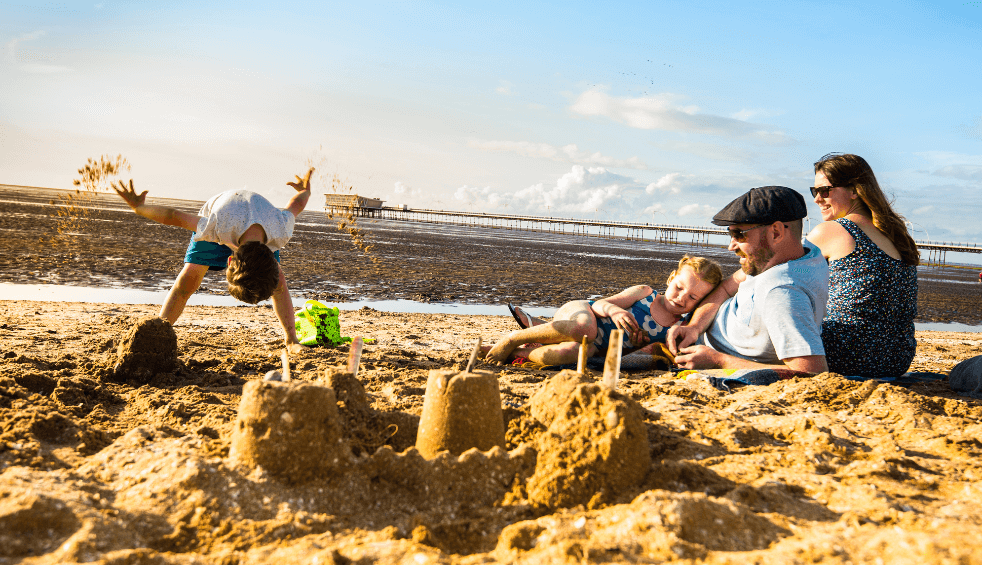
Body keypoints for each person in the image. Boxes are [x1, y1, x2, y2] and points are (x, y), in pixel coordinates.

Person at [112, 168, 314, 353]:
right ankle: (159, 330)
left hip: (258, 225)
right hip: (224, 215)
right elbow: (173, 216)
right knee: (186, 283)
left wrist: (305, 191)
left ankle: (291, 340)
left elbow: (296, 204)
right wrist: (140, 208)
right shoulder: (215, 226)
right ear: (229, 260)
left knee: (280, 284)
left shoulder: (279, 230)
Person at [668, 186, 829, 373]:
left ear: (776, 232)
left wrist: (718, 361)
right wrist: (694, 327)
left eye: (739, 234)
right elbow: (728, 287)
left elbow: (812, 374)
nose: (731, 246)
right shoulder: (800, 255)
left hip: (698, 353)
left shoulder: (782, 292)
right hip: (691, 330)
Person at [484, 255, 723, 366]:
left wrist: (639, 345)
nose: (682, 298)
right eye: (679, 287)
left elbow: (632, 359)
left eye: (693, 297)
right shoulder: (645, 292)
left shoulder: (676, 329)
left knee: (572, 354)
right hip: (583, 314)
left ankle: (519, 354)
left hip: (595, 346)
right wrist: (614, 311)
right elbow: (598, 303)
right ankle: (513, 338)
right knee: (585, 328)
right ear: (671, 279)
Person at [806, 153, 918, 378]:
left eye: (824, 191)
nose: (817, 199)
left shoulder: (832, 231)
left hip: (846, 354)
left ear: (855, 190)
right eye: (814, 191)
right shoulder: (896, 235)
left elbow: (781, 277)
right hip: (897, 358)